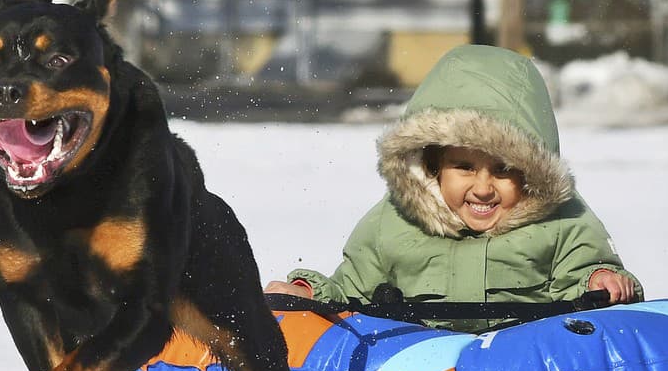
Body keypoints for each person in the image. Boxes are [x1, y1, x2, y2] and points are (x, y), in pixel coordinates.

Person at [265, 44, 642, 332]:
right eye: (464, 167)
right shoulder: (394, 221)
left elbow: (584, 268)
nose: (482, 188)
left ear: (531, 171)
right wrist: (310, 293)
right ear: (434, 165)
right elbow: (353, 290)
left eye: (504, 169)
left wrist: (599, 279)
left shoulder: (561, 220)